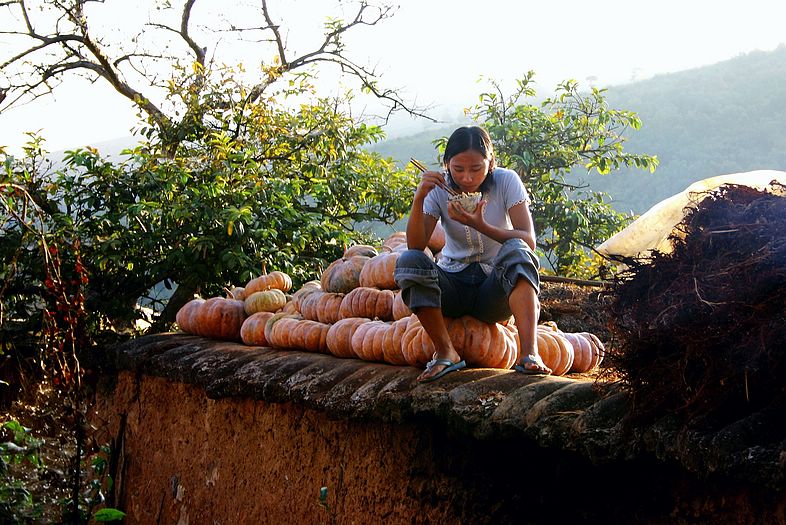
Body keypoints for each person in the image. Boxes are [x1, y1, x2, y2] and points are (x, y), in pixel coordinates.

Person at [394, 125, 552, 382]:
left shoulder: (506, 181)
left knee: (517, 250)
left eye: (476, 169)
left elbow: (528, 239)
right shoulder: (438, 189)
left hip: (494, 290)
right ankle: (446, 353)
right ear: (446, 164)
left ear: (490, 163)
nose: (467, 178)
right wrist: (419, 197)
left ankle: (529, 354)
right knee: (409, 261)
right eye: (458, 169)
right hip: (452, 287)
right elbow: (416, 244)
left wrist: (480, 225)